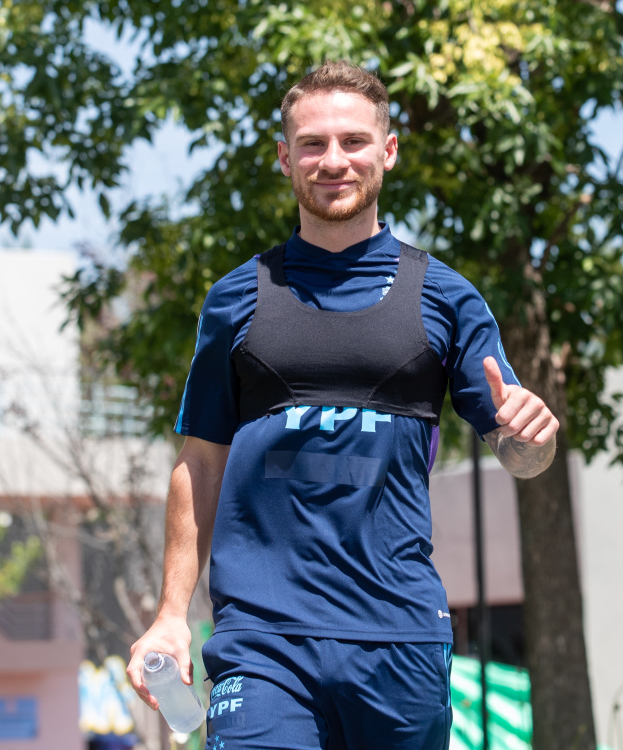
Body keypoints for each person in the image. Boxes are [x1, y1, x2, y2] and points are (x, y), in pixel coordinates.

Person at [127, 60, 559, 750]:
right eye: (313, 143)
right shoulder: (236, 298)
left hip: (398, 639)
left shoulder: (447, 299)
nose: (334, 160)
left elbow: (520, 452)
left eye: (354, 141)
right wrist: (171, 613)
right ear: (284, 158)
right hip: (263, 644)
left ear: (387, 151)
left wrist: (531, 439)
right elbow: (200, 463)